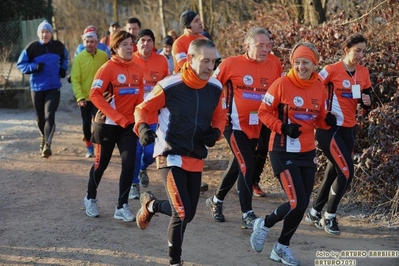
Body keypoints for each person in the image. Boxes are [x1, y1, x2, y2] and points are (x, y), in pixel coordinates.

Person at [133, 38, 226, 266]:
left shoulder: (215, 87)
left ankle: (151, 205)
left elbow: (220, 116)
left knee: (188, 213)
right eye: (205, 61)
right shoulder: (170, 85)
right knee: (182, 212)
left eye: (213, 62)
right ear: (191, 58)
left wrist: (216, 132)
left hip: (195, 155)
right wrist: (143, 127)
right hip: (170, 153)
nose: (210, 67)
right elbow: (142, 109)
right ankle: (175, 262)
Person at [249, 42, 337, 266]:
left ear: (314, 64)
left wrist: (326, 121)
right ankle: (264, 224)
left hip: (306, 151)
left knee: (303, 202)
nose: (300, 66)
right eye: (297, 62)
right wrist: (282, 127)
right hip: (281, 149)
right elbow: (263, 112)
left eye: (305, 62)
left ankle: (281, 248)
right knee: (296, 201)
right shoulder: (281, 84)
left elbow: (317, 116)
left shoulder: (319, 85)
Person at [206, 27, 281, 229]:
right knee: (247, 164)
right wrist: (212, 116)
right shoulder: (231, 63)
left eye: (268, 45)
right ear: (248, 46)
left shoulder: (275, 63)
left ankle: (216, 200)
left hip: (258, 125)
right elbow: (211, 87)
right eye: (261, 45)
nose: (266, 49)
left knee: (237, 166)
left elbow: (278, 93)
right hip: (233, 124)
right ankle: (247, 214)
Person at [306, 33, 372, 235]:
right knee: (346, 171)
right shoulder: (331, 70)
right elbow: (311, 88)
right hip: (329, 129)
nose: (360, 55)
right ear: (347, 50)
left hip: (349, 129)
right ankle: (330, 216)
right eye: (357, 50)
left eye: (363, 51)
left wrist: (367, 103)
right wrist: (323, 113)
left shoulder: (363, 72)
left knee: (333, 172)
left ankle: (314, 212)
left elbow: (365, 96)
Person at [83, 30, 144, 222]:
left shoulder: (137, 68)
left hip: (128, 125)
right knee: (101, 165)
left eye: (130, 44)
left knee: (128, 164)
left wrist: (141, 120)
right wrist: (117, 117)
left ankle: (122, 205)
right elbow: (94, 95)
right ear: (115, 48)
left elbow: (140, 98)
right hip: (107, 125)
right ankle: (90, 198)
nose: (129, 47)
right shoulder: (107, 68)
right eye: (124, 44)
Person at [16, 20, 69, 158]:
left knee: (49, 115)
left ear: (51, 34)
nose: (44, 34)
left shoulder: (58, 46)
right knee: (40, 118)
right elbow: (21, 64)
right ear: (38, 33)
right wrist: (33, 67)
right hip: (37, 88)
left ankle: (48, 145)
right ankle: (44, 137)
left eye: (47, 32)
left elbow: (65, 58)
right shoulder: (31, 48)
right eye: (42, 32)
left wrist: (63, 69)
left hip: (53, 87)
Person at [128, 29, 169, 200]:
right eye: (142, 40)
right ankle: (134, 183)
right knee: (136, 151)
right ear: (136, 44)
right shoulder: (129, 59)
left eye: (149, 40)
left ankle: (143, 168)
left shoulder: (161, 60)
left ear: (153, 43)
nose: (146, 44)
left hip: (154, 113)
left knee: (151, 152)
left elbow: (167, 84)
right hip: (134, 114)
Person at [70, 30, 108, 158]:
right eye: (87, 41)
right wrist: (79, 96)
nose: (89, 44)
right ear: (83, 42)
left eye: (92, 41)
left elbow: (108, 75)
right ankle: (89, 146)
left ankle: (100, 147)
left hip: (99, 96)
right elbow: (75, 79)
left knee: (100, 123)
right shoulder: (79, 58)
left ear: (97, 42)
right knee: (86, 123)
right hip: (85, 98)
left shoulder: (103, 56)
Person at [172, 10, 206, 74]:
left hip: (204, 78)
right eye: (196, 21)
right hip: (184, 81)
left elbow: (215, 62)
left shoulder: (205, 40)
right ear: (187, 25)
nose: (200, 23)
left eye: (199, 20)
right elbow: (185, 67)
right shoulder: (178, 43)